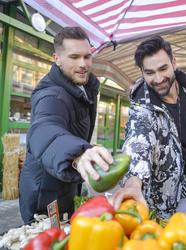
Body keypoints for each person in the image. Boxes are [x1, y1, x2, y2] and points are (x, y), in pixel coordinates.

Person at [111, 36, 186, 222]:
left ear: (174, 62)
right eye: (150, 72)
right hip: (170, 193)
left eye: (163, 68)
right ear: (142, 72)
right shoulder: (143, 108)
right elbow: (138, 141)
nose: (159, 79)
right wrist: (134, 182)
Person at [19, 27, 113, 224]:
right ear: (57, 58)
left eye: (87, 56)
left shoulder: (82, 87)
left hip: (64, 182)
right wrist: (76, 152)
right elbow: (44, 129)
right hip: (45, 195)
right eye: (74, 57)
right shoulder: (51, 95)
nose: (83, 64)